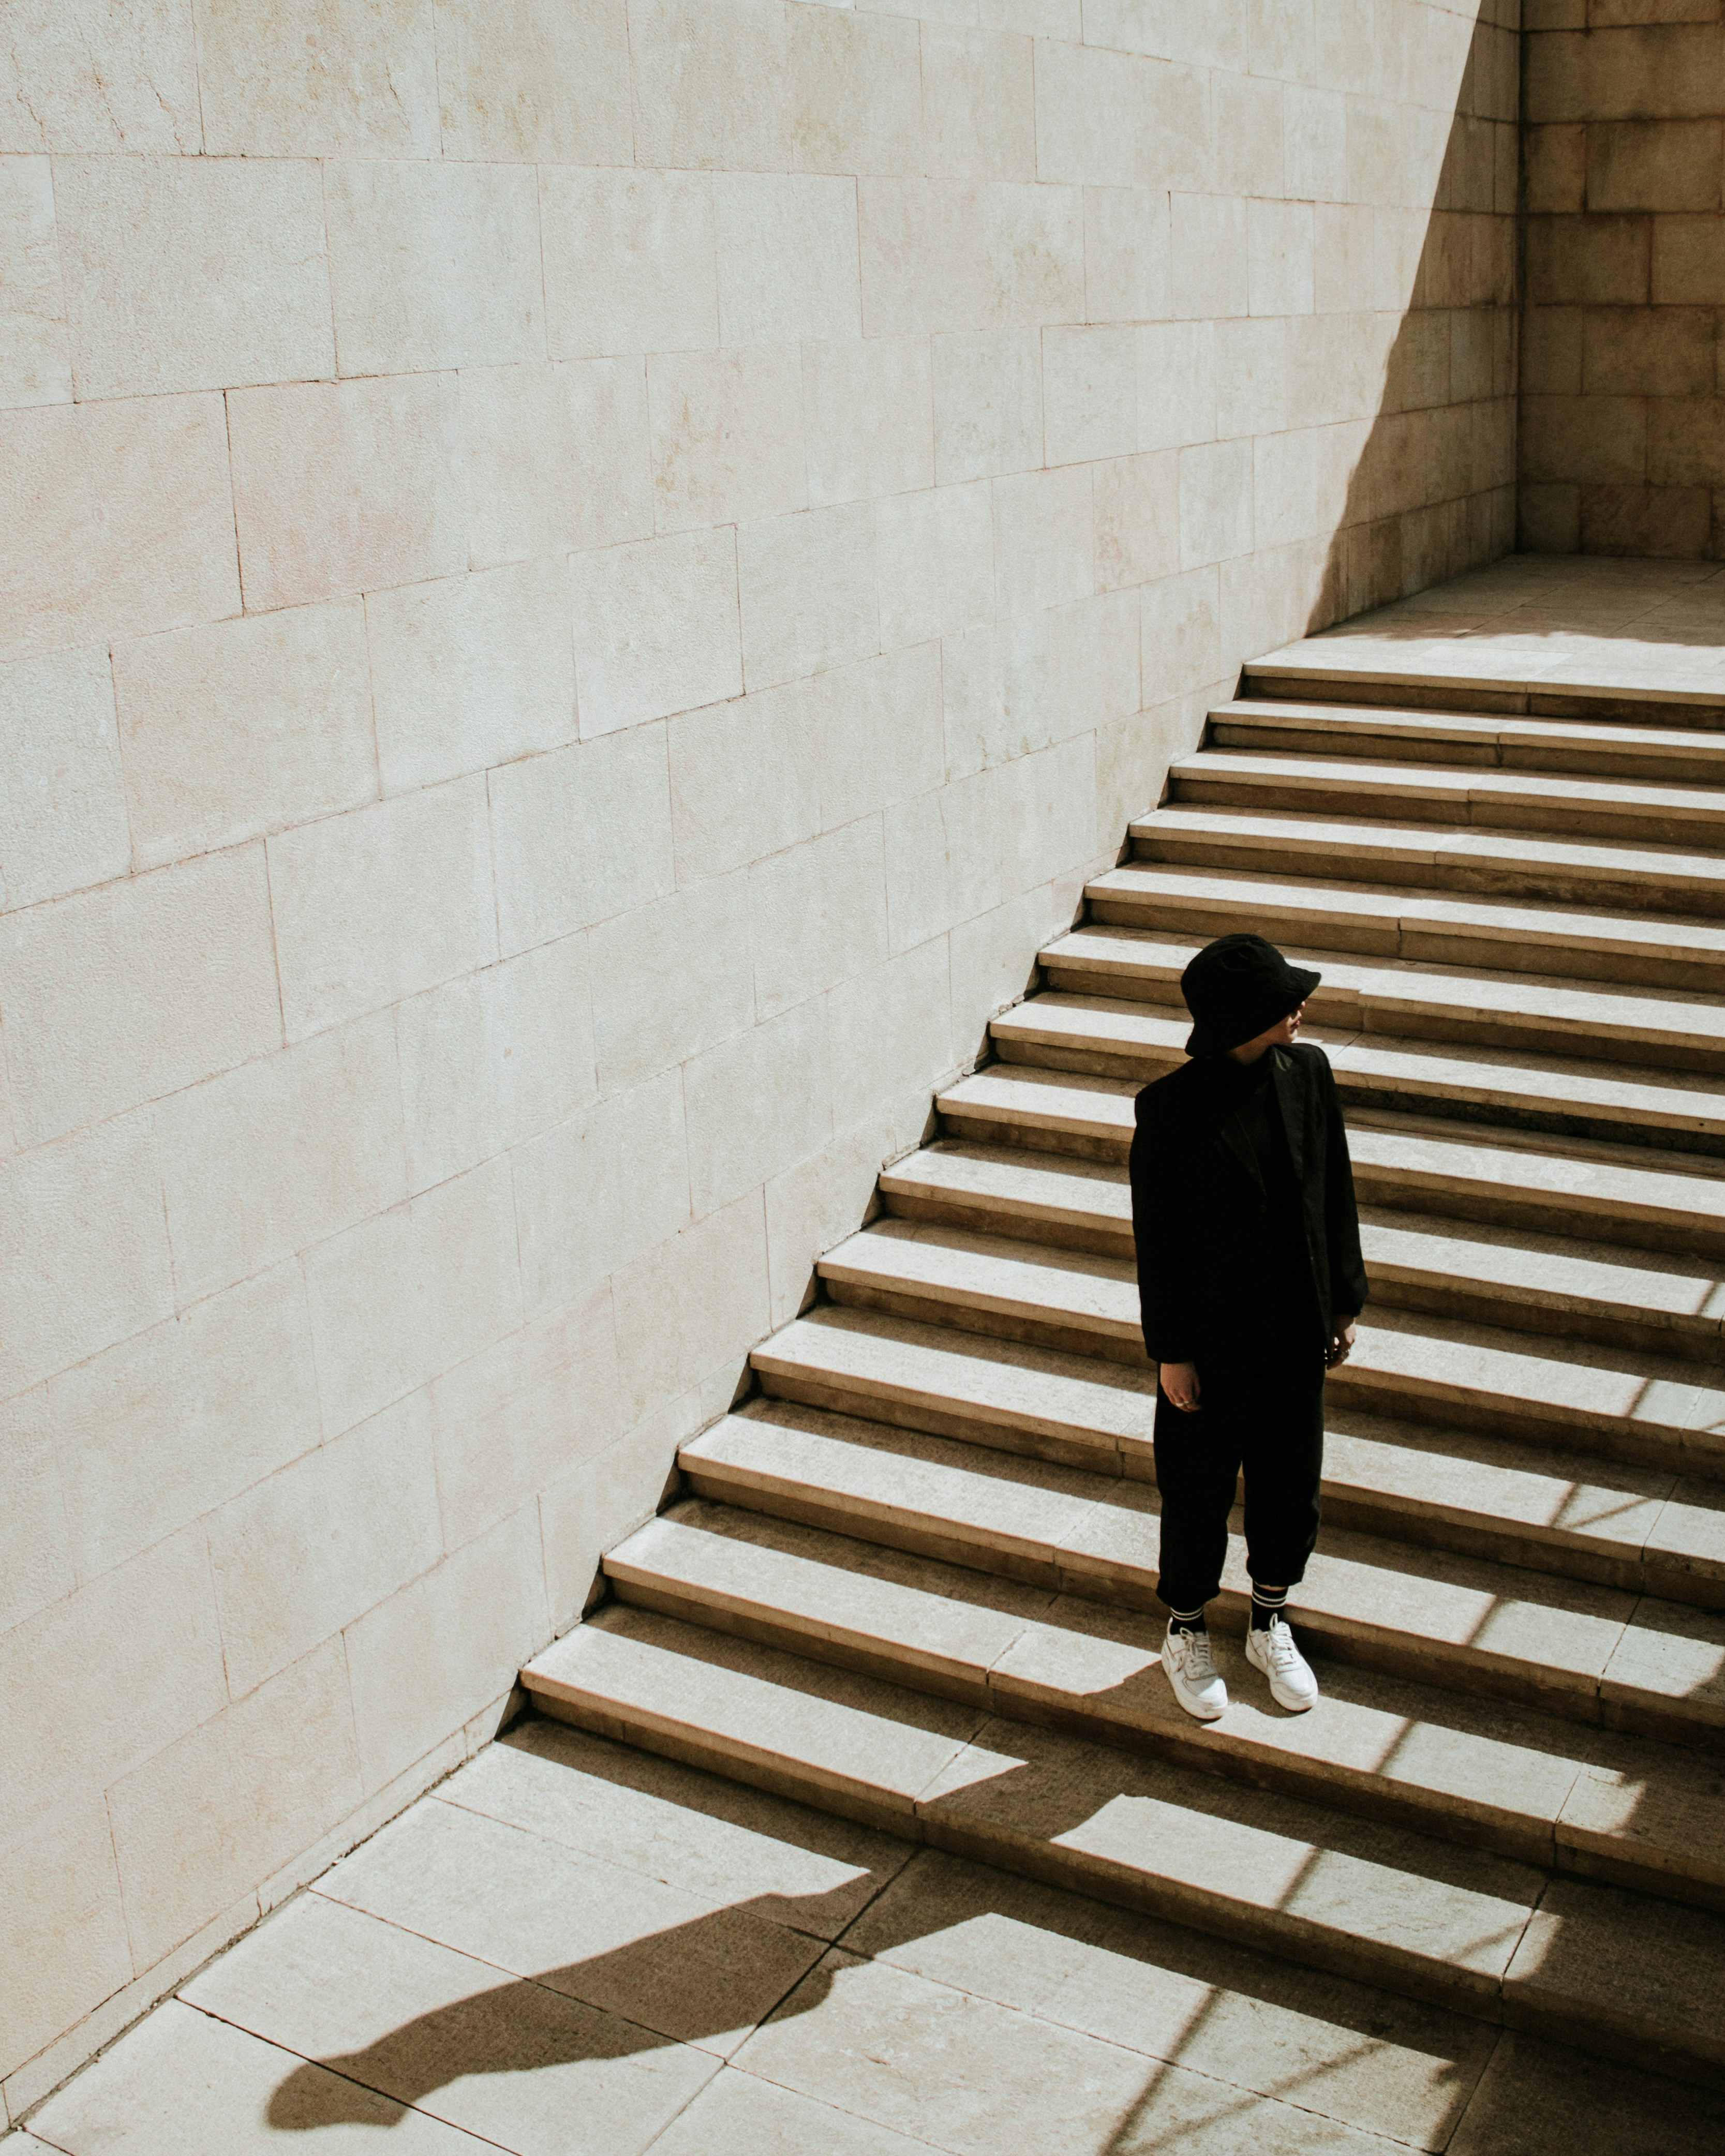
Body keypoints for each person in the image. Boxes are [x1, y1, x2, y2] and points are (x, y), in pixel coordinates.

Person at [1128, 933, 1368, 1722]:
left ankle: (1269, 1619)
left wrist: (1343, 1301)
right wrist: (1172, 1354)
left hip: (1295, 1332)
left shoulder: (1308, 1072)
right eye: (1280, 1002)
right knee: (1195, 1491)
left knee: (1288, 1483)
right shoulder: (1167, 1109)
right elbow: (1156, 1241)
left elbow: (1334, 1190)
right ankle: (1187, 1629)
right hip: (1211, 1345)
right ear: (1241, 1018)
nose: (1298, 1009)